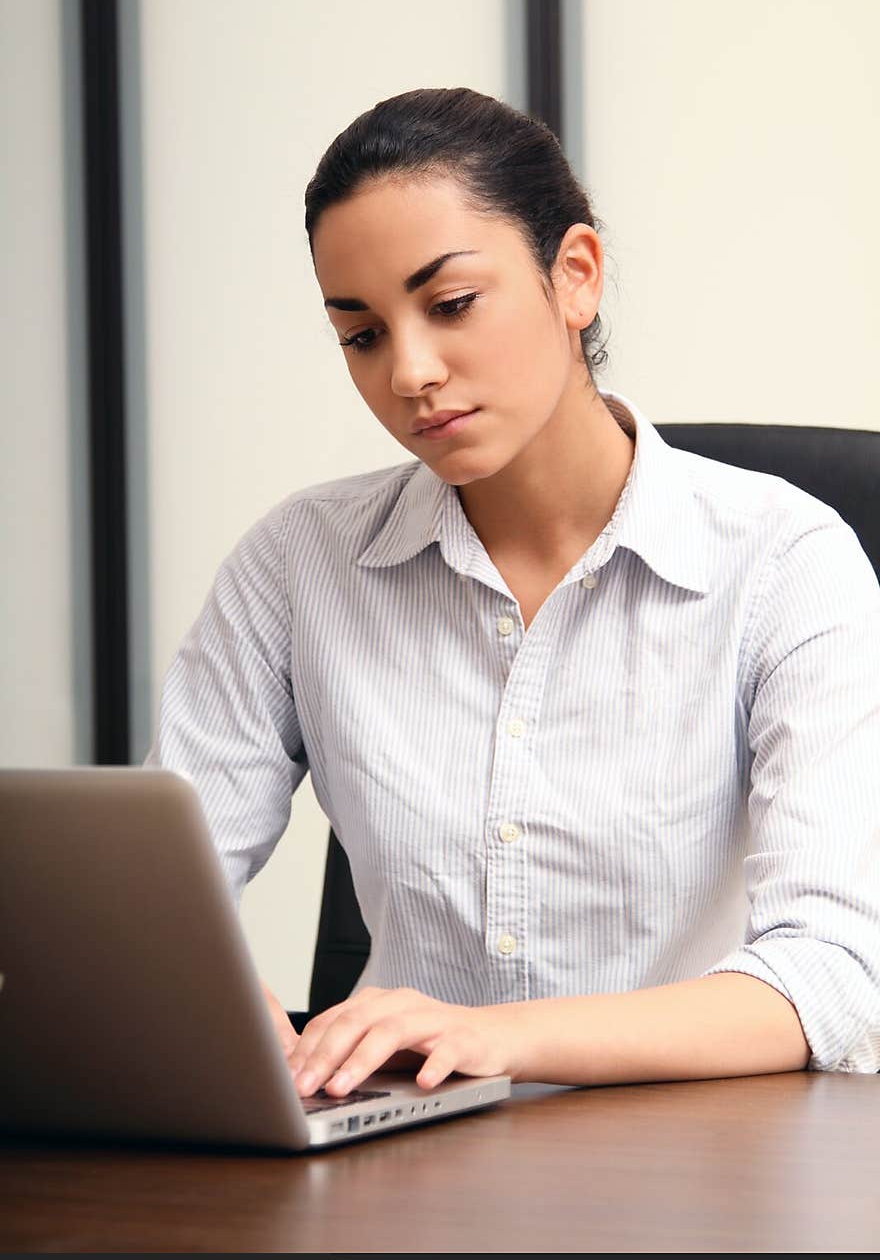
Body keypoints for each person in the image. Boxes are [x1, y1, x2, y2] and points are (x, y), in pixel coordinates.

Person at [145, 86, 880, 1098]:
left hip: (701, 1172)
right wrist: (215, 1010)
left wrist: (500, 1037)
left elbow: (827, 976)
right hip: (396, 1160)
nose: (408, 372)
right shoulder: (298, 564)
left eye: (449, 305)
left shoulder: (786, 563)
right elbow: (152, 896)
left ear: (574, 276)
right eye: (361, 335)